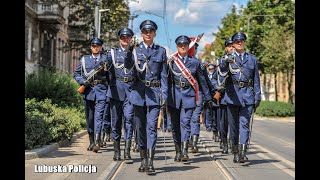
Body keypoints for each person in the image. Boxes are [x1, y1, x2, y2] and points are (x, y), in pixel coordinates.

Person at [125, 20, 168, 175]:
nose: (148, 34)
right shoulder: (135, 51)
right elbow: (128, 66)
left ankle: (150, 162)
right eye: (145, 31)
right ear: (141, 33)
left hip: (154, 94)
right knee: (140, 128)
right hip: (138, 94)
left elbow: (164, 75)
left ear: (155, 33)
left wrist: (165, 94)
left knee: (151, 127)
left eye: (150, 31)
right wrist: (129, 51)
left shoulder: (161, 51)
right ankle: (143, 160)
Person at [167, 35, 211, 163]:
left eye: (185, 45)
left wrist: (208, 97)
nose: (183, 47)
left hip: (189, 96)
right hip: (174, 96)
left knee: (185, 123)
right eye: (180, 45)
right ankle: (178, 151)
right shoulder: (171, 61)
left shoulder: (195, 62)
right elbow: (166, 80)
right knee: (175, 126)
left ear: (188, 46)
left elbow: (202, 81)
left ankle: (185, 151)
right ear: (177, 47)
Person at [219, 32, 261, 163]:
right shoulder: (227, 58)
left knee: (245, 124)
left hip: (247, 95)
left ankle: (242, 153)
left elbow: (256, 79)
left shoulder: (252, 59)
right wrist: (225, 62)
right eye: (237, 41)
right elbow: (222, 70)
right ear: (233, 43)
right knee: (234, 126)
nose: (239, 42)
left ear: (244, 42)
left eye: (241, 40)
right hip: (232, 96)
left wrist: (257, 96)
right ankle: (235, 151)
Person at [106, 27, 136, 163]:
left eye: (128, 37)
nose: (125, 39)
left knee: (129, 119)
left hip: (130, 90)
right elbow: (106, 70)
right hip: (116, 91)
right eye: (123, 37)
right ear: (120, 39)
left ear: (131, 39)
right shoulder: (112, 53)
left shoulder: (135, 53)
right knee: (116, 121)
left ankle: (127, 150)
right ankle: (117, 151)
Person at [73, 37, 108, 153]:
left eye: (97, 46)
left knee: (99, 117)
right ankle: (91, 141)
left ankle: (97, 141)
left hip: (102, 91)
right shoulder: (84, 60)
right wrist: (83, 82)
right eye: (93, 46)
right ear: (90, 47)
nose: (95, 47)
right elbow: (76, 74)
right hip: (88, 92)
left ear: (101, 47)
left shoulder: (105, 60)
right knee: (90, 118)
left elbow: (111, 76)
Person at [213, 37, 234, 154]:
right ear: (226, 48)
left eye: (233, 46)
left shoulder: (239, 60)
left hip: (236, 96)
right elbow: (213, 79)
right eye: (229, 46)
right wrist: (217, 87)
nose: (231, 48)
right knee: (223, 122)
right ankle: (224, 142)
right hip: (224, 95)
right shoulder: (219, 61)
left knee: (234, 122)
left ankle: (233, 142)